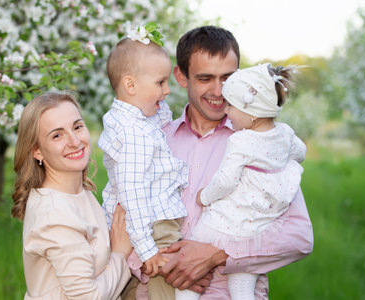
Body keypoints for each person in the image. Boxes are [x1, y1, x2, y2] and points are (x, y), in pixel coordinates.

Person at [125, 26, 314, 299]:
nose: (219, 90)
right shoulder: (154, 142)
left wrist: (217, 255)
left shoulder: (263, 142)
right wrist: (157, 263)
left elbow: (298, 237)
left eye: (228, 77)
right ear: (181, 76)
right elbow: (125, 215)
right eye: (205, 78)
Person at [175, 63, 306, 300]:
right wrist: (276, 162)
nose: (226, 111)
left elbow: (226, 181)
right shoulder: (286, 133)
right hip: (256, 228)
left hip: (221, 224)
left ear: (252, 112)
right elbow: (301, 152)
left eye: (231, 106)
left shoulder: (240, 140)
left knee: (187, 267)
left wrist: (204, 196)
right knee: (243, 283)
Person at [11, 91, 132, 299]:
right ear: (36, 151)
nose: (75, 141)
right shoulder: (55, 214)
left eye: (77, 127)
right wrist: (120, 255)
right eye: (57, 135)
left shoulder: (77, 192)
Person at [98, 24, 188, 300]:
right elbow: (133, 192)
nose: (168, 90)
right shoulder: (133, 134)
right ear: (131, 85)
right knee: (166, 283)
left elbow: (158, 122)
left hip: (145, 222)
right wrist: (147, 249)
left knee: (125, 285)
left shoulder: (129, 118)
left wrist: (157, 103)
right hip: (154, 223)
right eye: (160, 83)